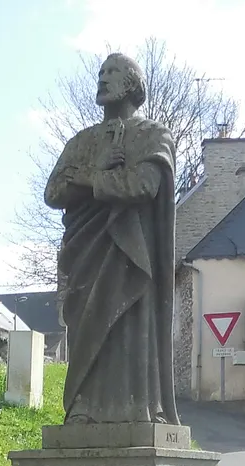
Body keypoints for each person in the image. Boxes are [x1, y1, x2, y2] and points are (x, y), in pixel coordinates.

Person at [45, 53, 179, 425]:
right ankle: (82, 408)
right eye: (101, 72)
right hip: (87, 254)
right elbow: (54, 192)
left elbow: (143, 185)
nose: (103, 78)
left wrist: (88, 180)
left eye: (114, 72)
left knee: (128, 328)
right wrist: (97, 169)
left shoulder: (153, 135)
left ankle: (139, 408)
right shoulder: (82, 142)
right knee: (88, 325)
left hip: (131, 254)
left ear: (134, 85)